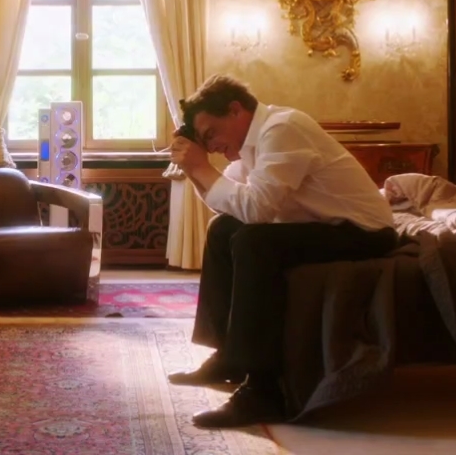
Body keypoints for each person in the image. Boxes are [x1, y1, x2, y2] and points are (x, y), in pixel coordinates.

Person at [167, 74, 397, 428]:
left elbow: (256, 210)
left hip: (365, 231)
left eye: (210, 133)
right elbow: (232, 205)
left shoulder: (282, 128)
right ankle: (228, 356)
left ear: (235, 110)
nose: (210, 146)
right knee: (224, 229)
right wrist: (194, 170)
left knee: (254, 242)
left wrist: (202, 167)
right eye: (204, 140)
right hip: (321, 223)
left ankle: (263, 391)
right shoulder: (250, 143)